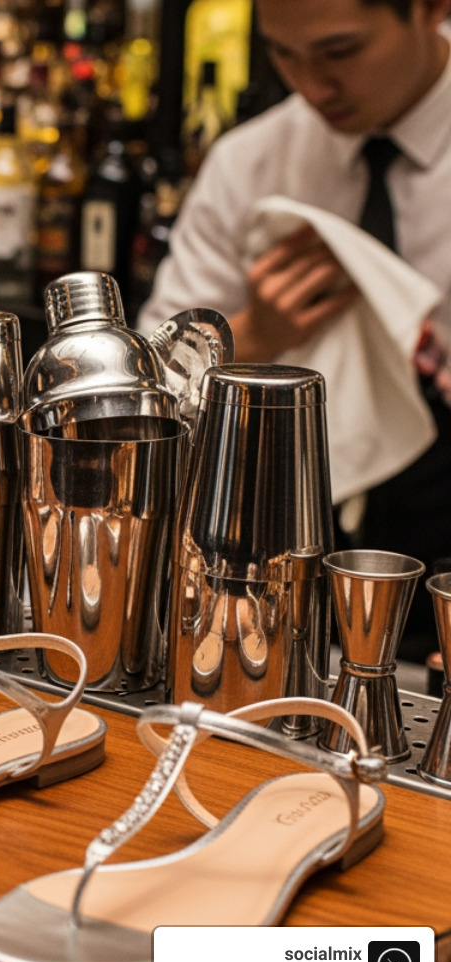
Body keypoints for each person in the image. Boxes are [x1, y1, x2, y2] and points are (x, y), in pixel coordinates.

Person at [139, 0, 451, 659]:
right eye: (284, 54)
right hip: (286, 552)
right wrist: (259, 330)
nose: (311, 86)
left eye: (339, 53)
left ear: (431, 9)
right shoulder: (250, 162)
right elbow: (154, 386)